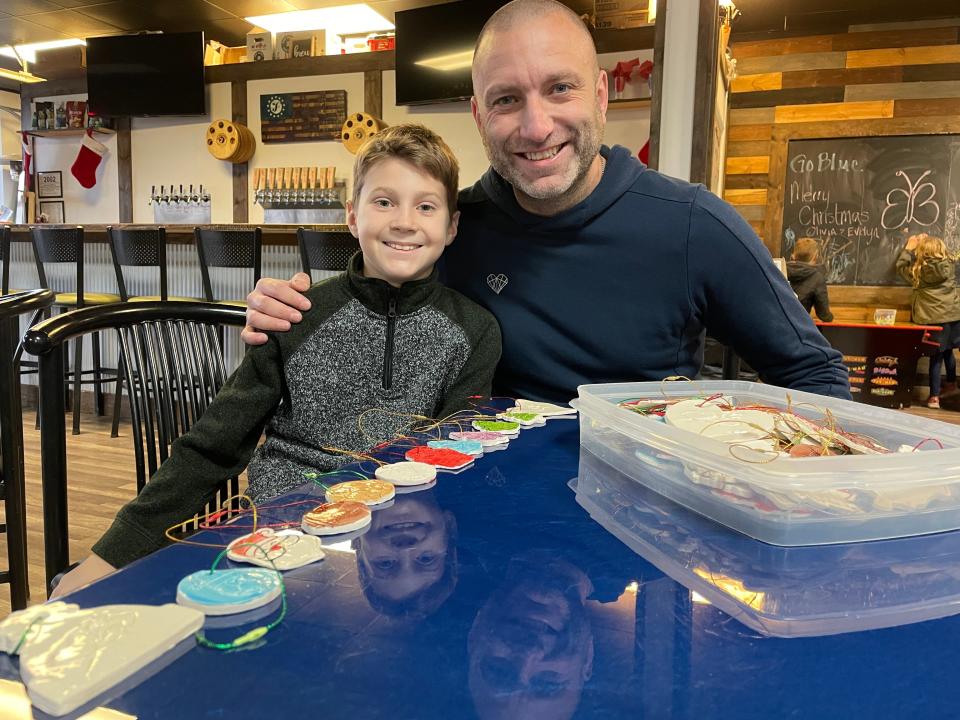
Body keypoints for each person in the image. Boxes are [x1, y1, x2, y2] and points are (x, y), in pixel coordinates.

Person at [241, 0, 849, 402]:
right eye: (506, 100)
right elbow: (372, 301)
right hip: (477, 519)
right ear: (478, 115)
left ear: (602, 95)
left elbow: (814, 374)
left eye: (560, 89)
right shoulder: (455, 228)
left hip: (637, 527)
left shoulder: (693, 224)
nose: (536, 127)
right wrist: (288, 309)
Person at [50, 123, 502, 597]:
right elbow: (211, 448)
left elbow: (454, 465)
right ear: (352, 216)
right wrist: (108, 557)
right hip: (278, 534)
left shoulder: (474, 331)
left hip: (397, 518)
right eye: (384, 201)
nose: (404, 222)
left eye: (425, 206)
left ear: (451, 226)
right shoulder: (293, 314)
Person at [896, 232, 960, 409]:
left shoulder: (918, 271)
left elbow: (900, 267)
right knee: (949, 351)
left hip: (931, 319)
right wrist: (929, 242)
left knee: (936, 356)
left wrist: (909, 248)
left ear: (921, 252)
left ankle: (934, 397)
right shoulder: (950, 266)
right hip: (953, 316)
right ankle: (952, 384)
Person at [787, 237, 833, 322]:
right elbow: (823, 315)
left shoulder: (779, 269)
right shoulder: (817, 278)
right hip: (799, 327)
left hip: (774, 325)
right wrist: (830, 318)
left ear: (793, 255)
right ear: (815, 256)